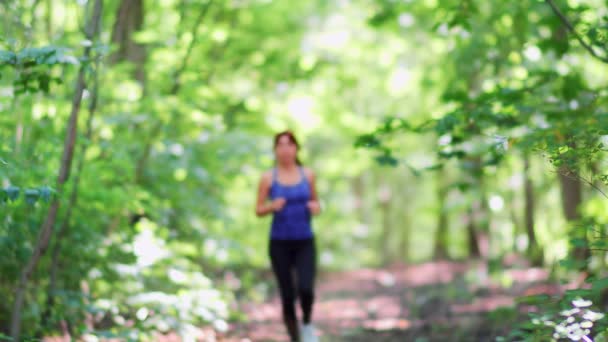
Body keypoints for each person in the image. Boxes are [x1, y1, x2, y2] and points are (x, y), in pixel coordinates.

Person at [255, 130, 321, 342]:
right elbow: (258, 209)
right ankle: (295, 338)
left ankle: (308, 324)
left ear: (296, 148)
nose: (285, 149)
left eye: (289, 144)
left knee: (306, 288)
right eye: (280, 145)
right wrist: (272, 206)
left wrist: (315, 207)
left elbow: (317, 203)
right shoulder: (268, 177)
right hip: (279, 243)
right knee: (287, 295)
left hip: (305, 241)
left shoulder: (308, 174)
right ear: (275, 150)